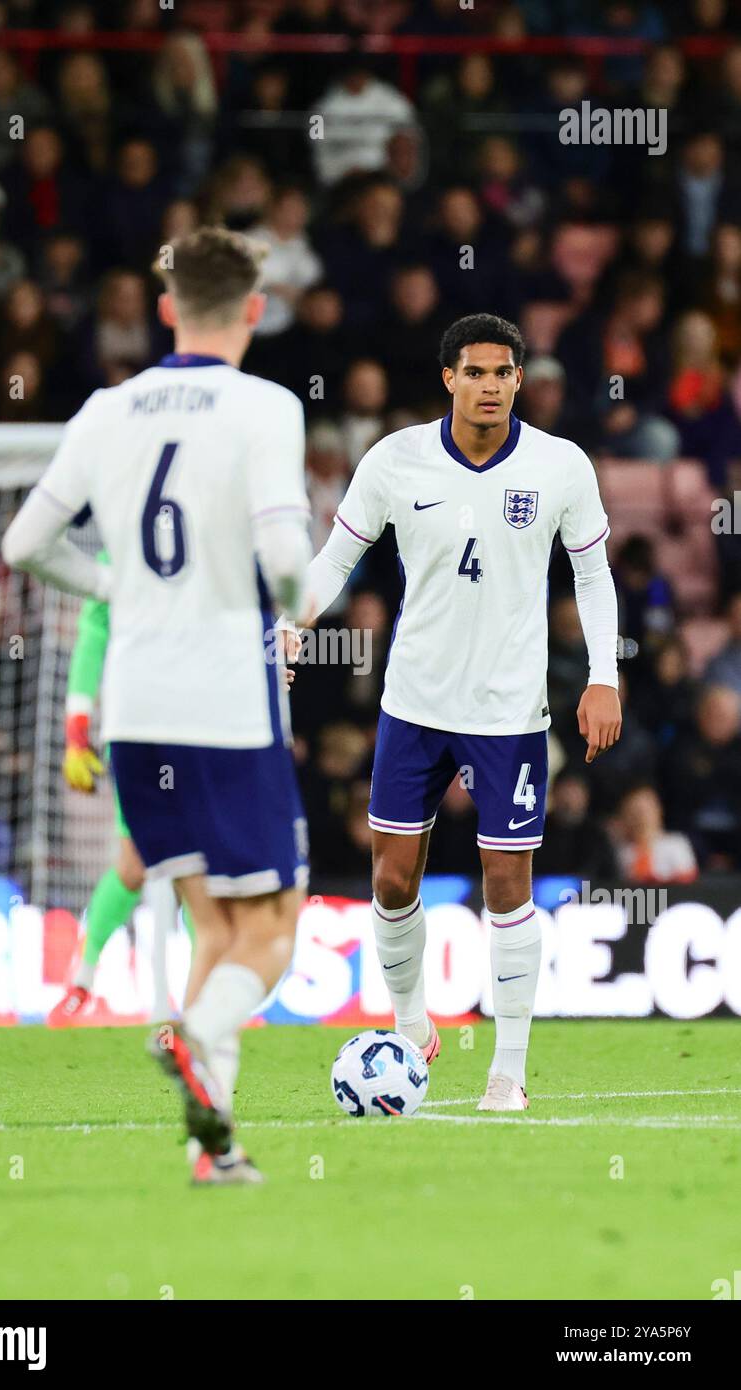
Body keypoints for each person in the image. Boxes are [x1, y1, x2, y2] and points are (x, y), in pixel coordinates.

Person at [2, 227, 312, 1185]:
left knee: (209, 925)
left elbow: (23, 544)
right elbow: (286, 559)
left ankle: (210, 1150)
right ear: (255, 310)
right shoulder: (263, 407)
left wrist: (108, 589)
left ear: (168, 308)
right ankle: (194, 1032)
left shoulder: (107, 408)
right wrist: (297, 609)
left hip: (137, 701)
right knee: (274, 922)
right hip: (226, 694)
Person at [285, 313, 621, 1111]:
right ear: (449, 379)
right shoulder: (395, 460)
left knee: (508, 884)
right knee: (392, 876)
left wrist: (603, 675)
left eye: (504, 373)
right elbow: (336, 555)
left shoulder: (558, 465)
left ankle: (508, 1071)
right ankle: (410, 1024)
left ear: (518, 380)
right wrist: (291, 623)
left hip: (508, 709)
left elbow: (595, 575)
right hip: (415, 702)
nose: (491, 386)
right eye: (475, 372)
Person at [47, 551, 193, 1028]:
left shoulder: (208, 537)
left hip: (203, 724)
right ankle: (83, 978)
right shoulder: (120, 548)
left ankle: (205, 995)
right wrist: (77, 728)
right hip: (136, 729)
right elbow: (94, 631)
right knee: (134, 863)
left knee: (203, 863)